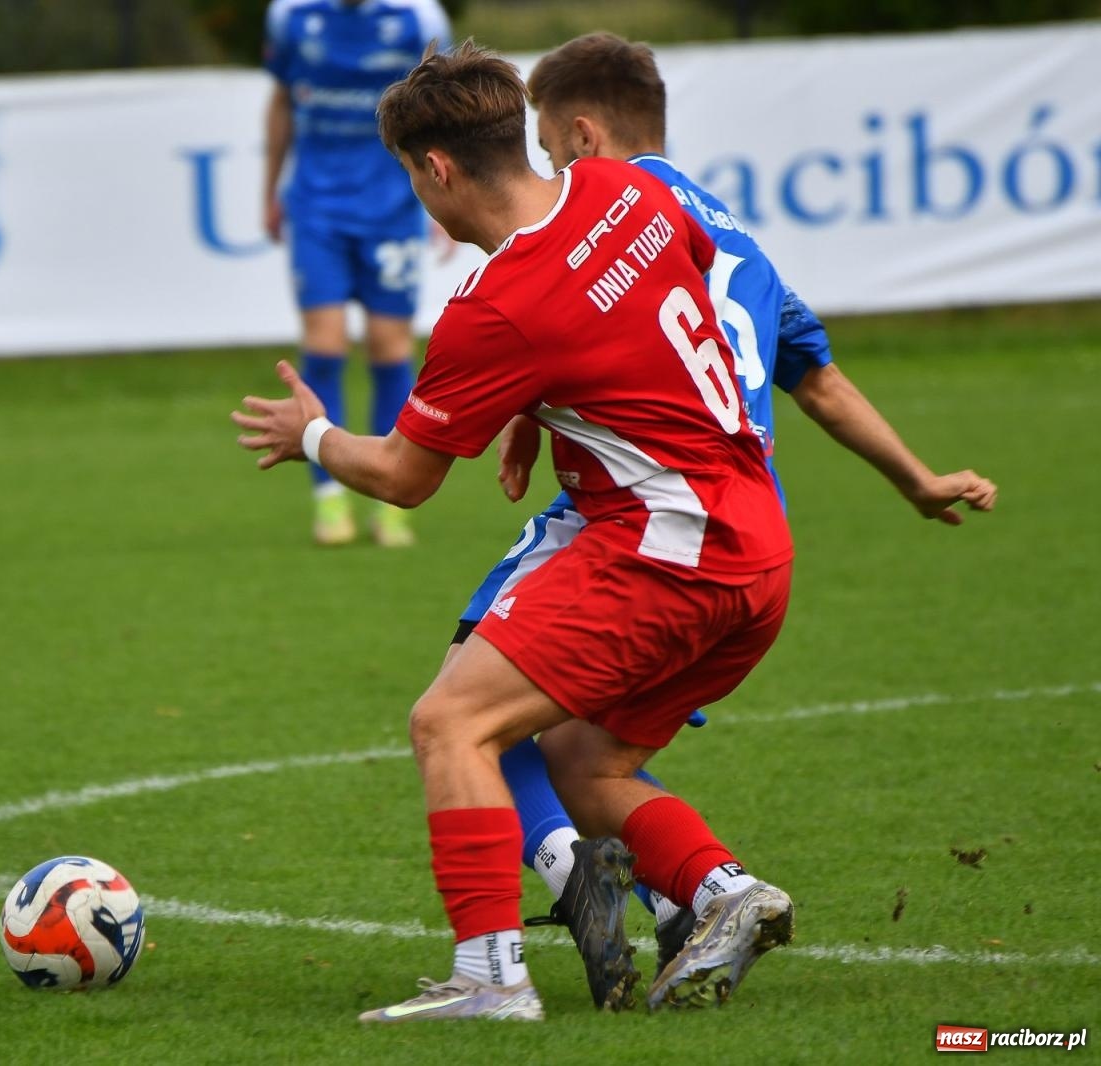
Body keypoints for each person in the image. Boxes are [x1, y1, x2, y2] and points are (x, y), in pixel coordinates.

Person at [235, 40, 802, 1023]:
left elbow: (406, 479)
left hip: (663, 548)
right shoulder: (626, 189)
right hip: (759, 542)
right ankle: (721, 893)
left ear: (438, 168)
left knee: (449, 723)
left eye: (415, 178)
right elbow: (686, 287)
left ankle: (489, 977)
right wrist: (544, 406)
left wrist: (314, 434)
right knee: (584, 760)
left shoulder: (494, 306)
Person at [462, 31, 999, 1012]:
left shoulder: (613, 213)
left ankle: (588, 889)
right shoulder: (737, 236)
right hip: (749, 536)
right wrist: (917, 480)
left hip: (642, 510)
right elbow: (820, 383)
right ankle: (698, 899)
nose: (544, 175)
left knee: (475, 684)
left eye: (547, 150)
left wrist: (514, 411)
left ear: (582, 136)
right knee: (589, 749)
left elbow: (560, 318)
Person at [262, 0, 450, 547]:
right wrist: (270, 189)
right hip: (316, 207)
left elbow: (442, 111)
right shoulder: (291, 16)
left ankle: (388, 502)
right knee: (325, 343)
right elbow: (280, 104)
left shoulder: (420, 18)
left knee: (390, 347)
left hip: (391, 208)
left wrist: (440, 195)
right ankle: (330, 498)